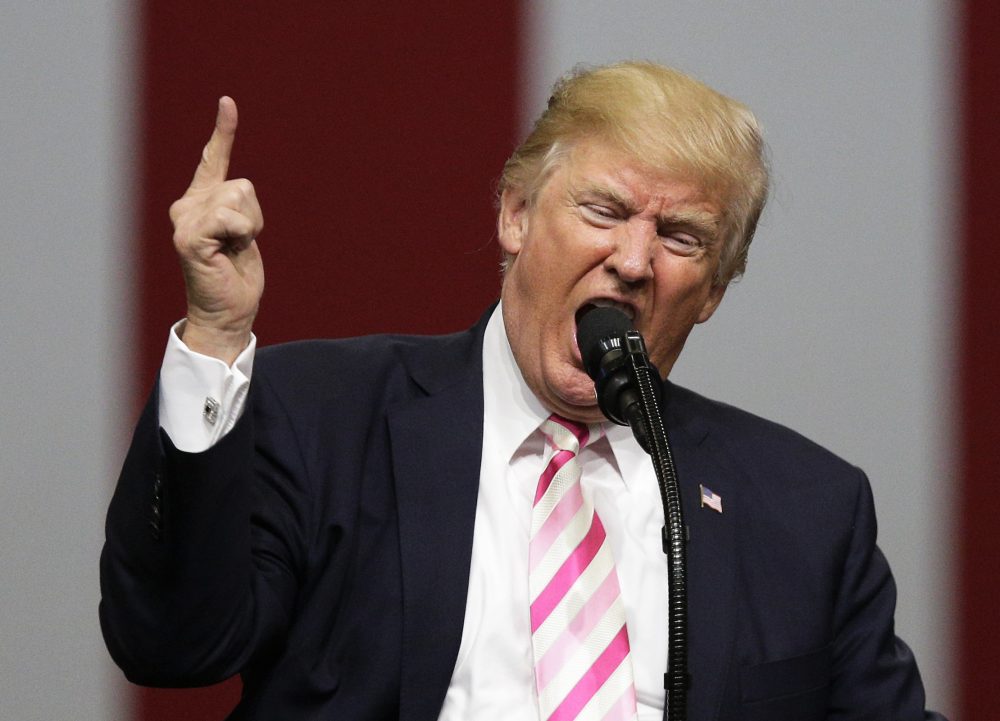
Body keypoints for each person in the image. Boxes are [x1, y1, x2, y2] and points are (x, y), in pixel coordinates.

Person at [100, 62, 944, 720]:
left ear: (715, 290)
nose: (635, 261)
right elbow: (173, 643)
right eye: (605, 209)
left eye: (682, 235)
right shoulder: (324, 411)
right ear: (514, 215)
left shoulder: (806, 507)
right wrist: (214, 337)